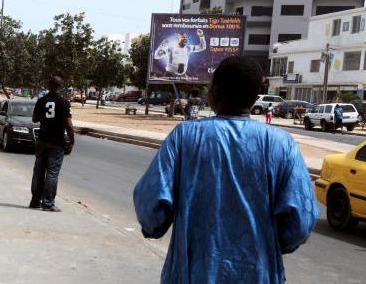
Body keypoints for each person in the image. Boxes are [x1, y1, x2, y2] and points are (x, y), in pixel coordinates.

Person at [133, 56, 317, 283]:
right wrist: (269, 242)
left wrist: (156, 226)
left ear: (215, 92)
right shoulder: (281, 143)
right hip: (257, 273)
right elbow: (300, 221)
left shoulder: (185, 137)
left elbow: (151, 206)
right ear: (253, 96)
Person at [29, 76, 74, 212]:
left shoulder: (41, 101)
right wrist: (72, 140)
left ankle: (35, 201)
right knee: (52, 173)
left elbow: (34, 119)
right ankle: (48, 204)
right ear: (60, 87)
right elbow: (68, 124)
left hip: (42, 140)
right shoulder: (64, 102)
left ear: (48, 85)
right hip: (57, 142)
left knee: (38, 171)